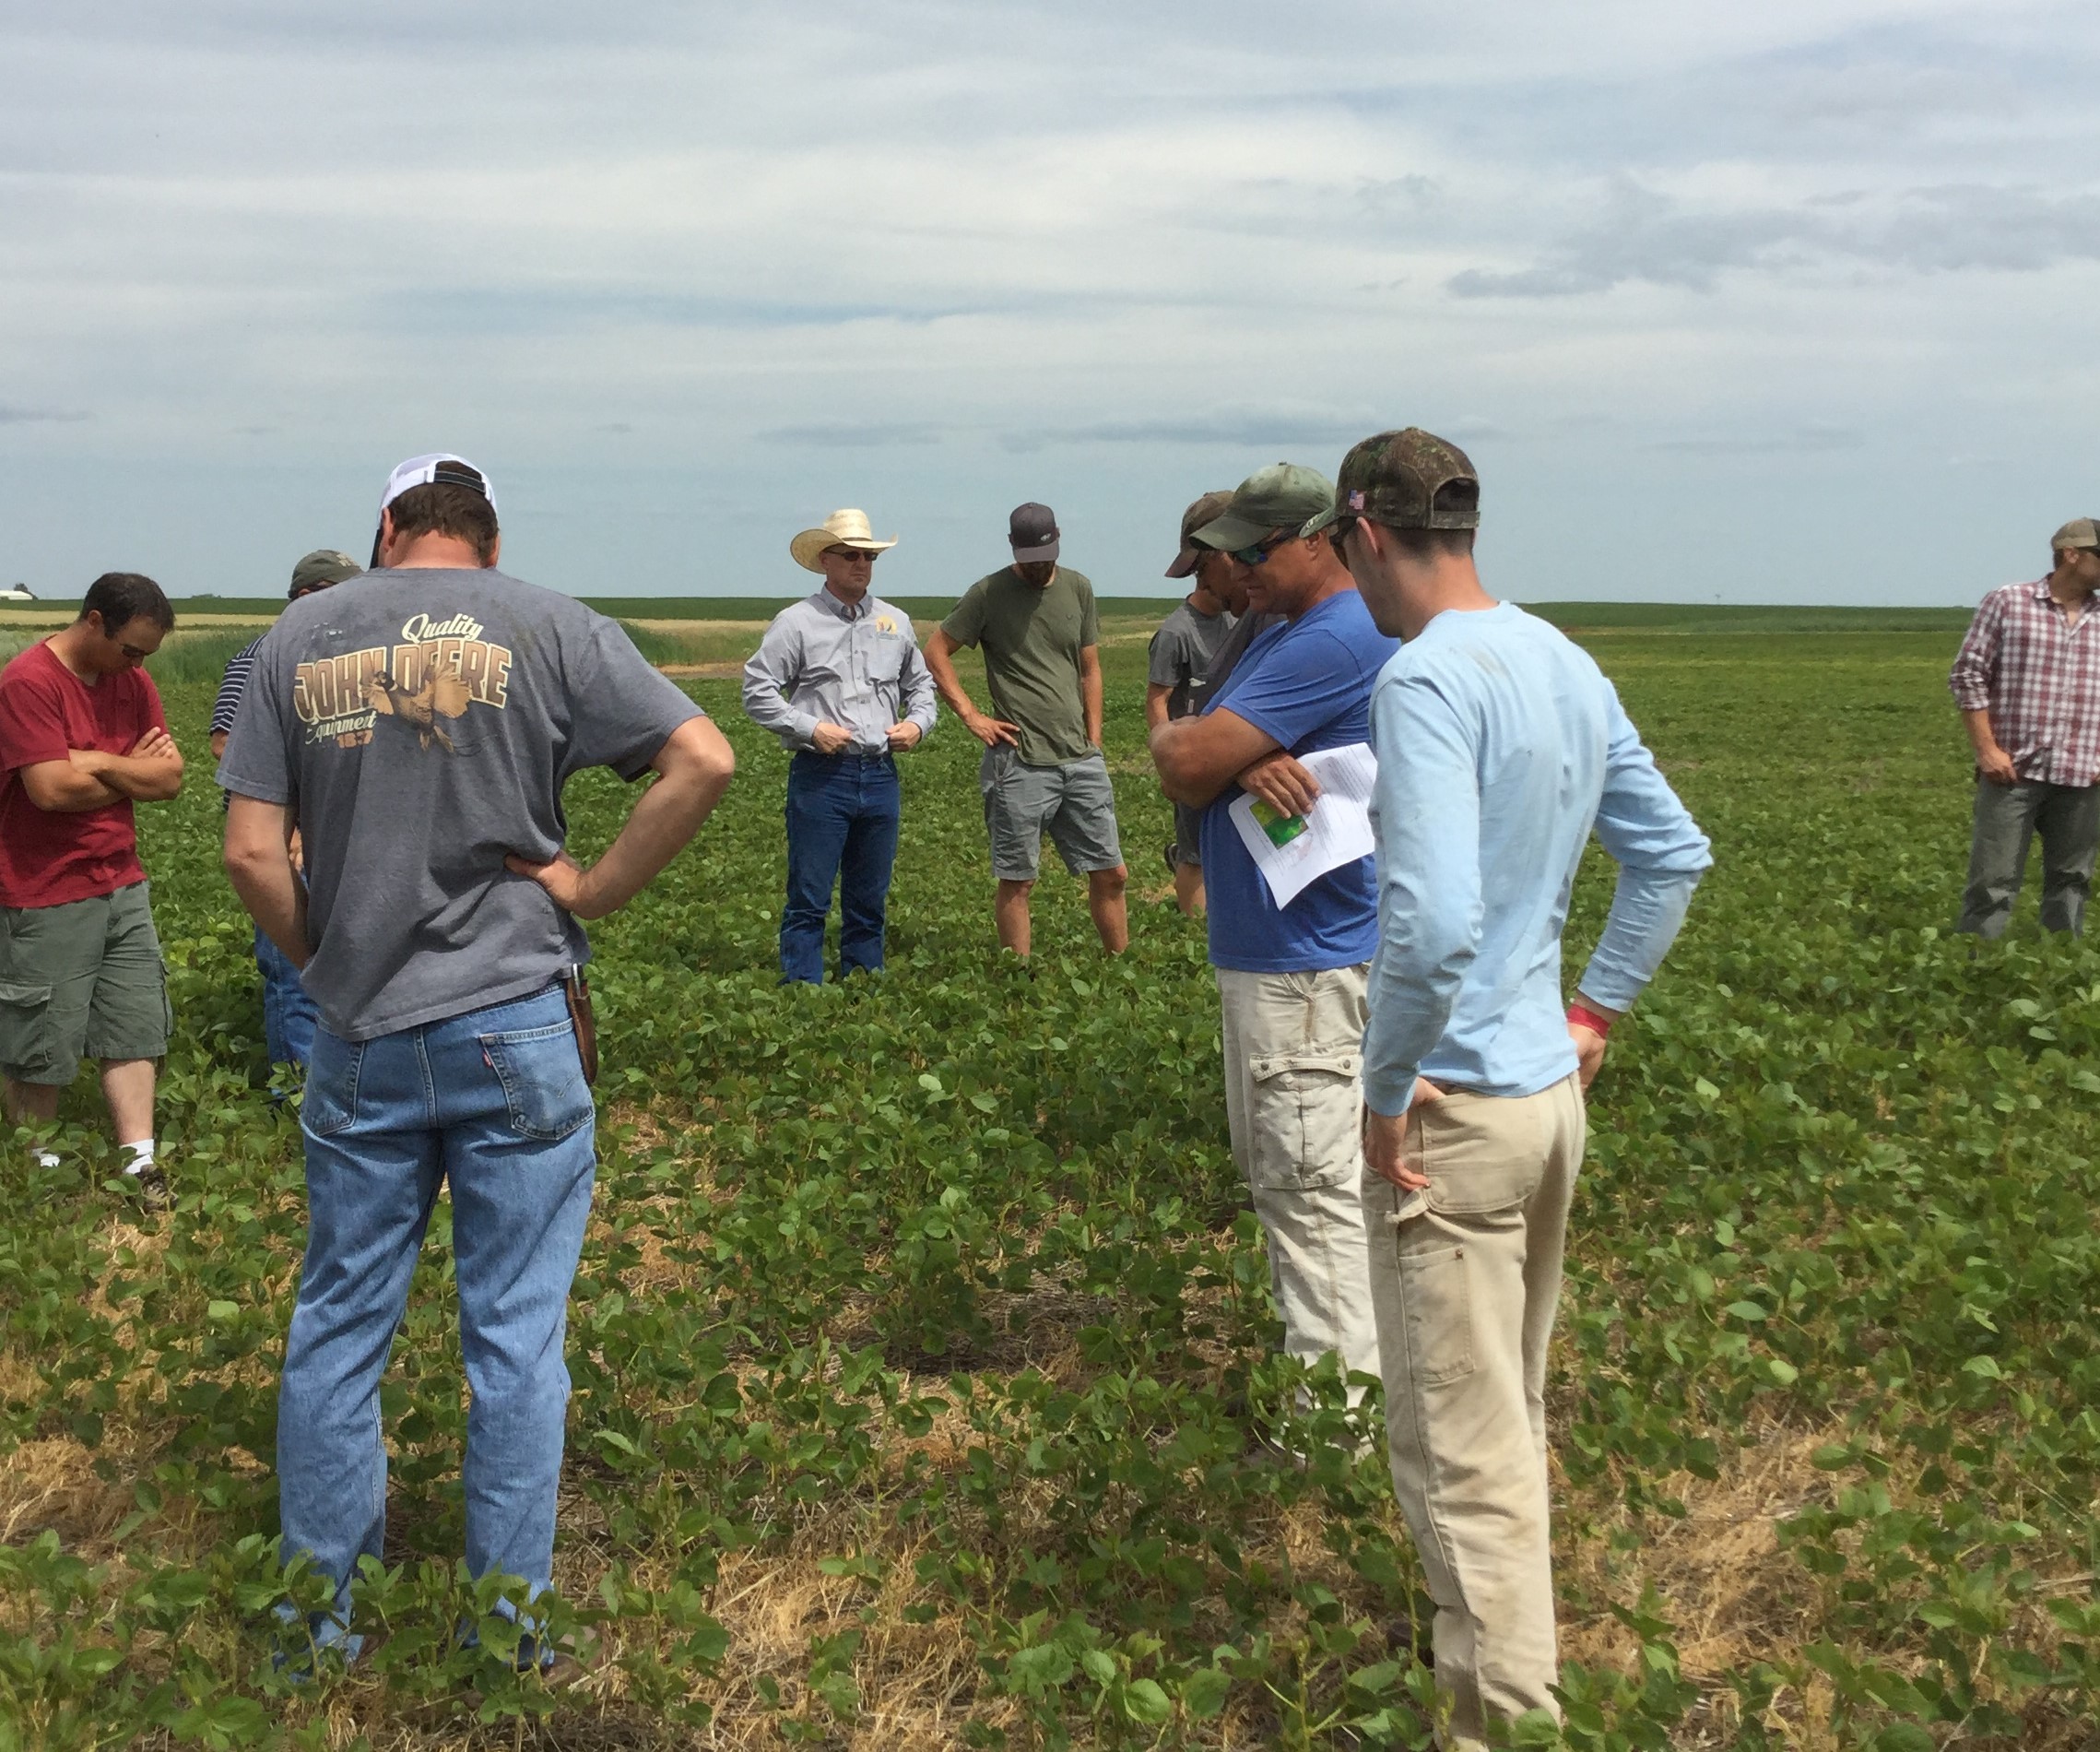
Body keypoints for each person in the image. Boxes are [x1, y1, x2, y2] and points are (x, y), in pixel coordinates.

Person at [218, 453, 736, 1668]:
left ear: (387, 528)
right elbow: (703, 759)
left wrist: (333, 964)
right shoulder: (550, 623)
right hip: (517, 1021)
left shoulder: (298, 637)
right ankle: (507, 1636)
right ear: (490, 544)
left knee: (340, 1324)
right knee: (514, 1338)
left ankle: (315, 1631)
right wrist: (593, 886)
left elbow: (250, 855)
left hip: (361, 1034)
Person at [1317, 427, 1711, 1748]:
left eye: (1340, 550)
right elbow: (1669, 856)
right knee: (1503, 1412)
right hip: (1547, 1105)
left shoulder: (1423, 678)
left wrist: (1381, 1094)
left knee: (1456, 1449)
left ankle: (1499, 1726)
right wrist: (1593, 1010)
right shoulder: (1559, 657)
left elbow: (1426, 925)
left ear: (1364, 531)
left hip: (1454, 1117)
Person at [1148, 462, 1396, 1403]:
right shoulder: (1280, 627)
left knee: (1311, 1191)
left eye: (1255, 551)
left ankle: (1330, 1431)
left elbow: (1183, 754)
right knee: (1298, 1179)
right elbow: (1195, 743)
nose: (1238, 571)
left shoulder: (1333, 634)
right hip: (1279, 959)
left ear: (1316, 540)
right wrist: (1240, 761)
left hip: (1302, 966)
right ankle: (1359, 1393)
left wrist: (1220, 756)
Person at [0, 574, 183, 1196]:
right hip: (43, 885)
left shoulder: (132, 682)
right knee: (40, 1036)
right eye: (131, 649)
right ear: (96, 621)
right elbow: (49, 791)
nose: (137, 665)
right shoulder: (29, 682)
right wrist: (133, 769)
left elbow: (170, 781)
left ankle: (139, 1157)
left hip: (120, 876)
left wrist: (100, 761)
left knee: (134, 1020)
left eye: (147, 656)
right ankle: (36, 1163)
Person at [924, 503, 1128, 956]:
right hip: (1019, 761)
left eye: (1047, 556)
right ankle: (1018, 979)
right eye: (1031, 560)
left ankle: (1120, 965)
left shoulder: (1078, 587)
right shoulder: (987, 593)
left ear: (1058, 538)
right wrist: (972, 716)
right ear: (1013, 547)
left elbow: (1089, 669)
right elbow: (936, 652)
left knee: (1112, 872)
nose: (1040, 568)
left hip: (1080, 758)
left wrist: (1094, 738)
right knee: (1018, 878)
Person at [742, 509, 937, 984]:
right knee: (809, 897)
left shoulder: (895, 621)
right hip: (822, 775)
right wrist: (810, 728)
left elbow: (922, 686)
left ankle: (863, 988)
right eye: (850, 556)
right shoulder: (797, 623)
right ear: (825, 561)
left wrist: (917, 724)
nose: (861, 565)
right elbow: (757, 690)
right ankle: (802, 992)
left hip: (880, 775)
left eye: (868, 556)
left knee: (869, 896)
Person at [211, 549, 362, 1067]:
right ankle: (295, 1095)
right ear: (305, 596)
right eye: (338, 595)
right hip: (277, 840)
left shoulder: (353, 659)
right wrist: (296, 814)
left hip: (339, 841)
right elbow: (224, 742)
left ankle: (339, 1083)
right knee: (293, 971)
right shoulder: (262, 654)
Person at [1947, 518, 2100, 937]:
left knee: (2072, 881)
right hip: (2011, 770)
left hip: (2084, 773)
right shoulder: (2009, 602)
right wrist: (1986, 750)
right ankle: (1976, 968)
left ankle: (2059, 970)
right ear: (2072, 555)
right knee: (1991, 882)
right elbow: (1968, 675)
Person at [1148, 491, 1238, 915]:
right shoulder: (1176, 632)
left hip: (1239, 751)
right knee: (1195, 852)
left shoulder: (1244, 617)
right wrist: (1168, 764)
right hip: (1197, 757)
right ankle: (1191, 934)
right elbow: (1157, 700)